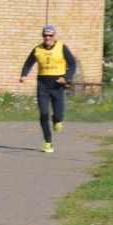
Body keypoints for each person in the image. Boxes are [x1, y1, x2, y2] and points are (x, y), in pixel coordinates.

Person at [19, 23, 77, 153]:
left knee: (58, 114)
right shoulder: (38, 49)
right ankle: (48, 142)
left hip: (58, 84)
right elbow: (28, 63)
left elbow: (73, 64)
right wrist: (24, 75)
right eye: (45, 35)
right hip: (43, 84)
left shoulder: (62, 47)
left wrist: (66, 77)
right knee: (43, 113)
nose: (47, 38)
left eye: (50, 35)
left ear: (54, 36)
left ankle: (57, 120)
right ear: (42, 36)